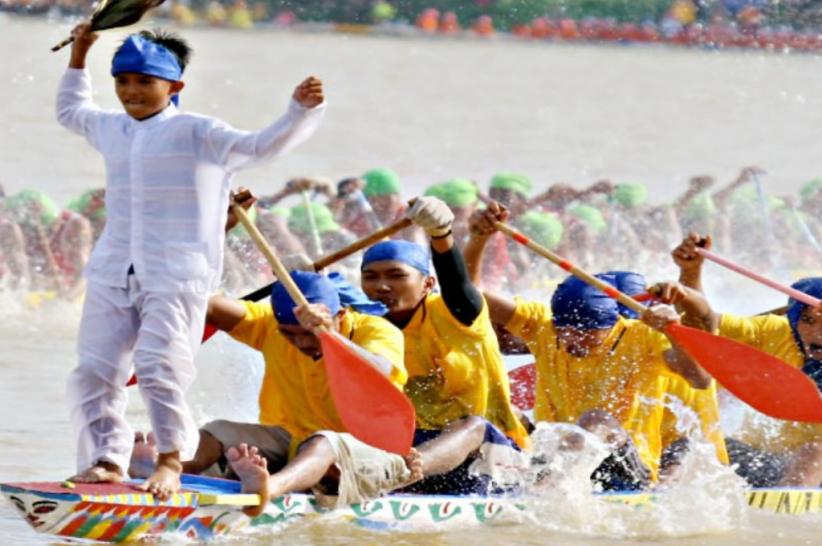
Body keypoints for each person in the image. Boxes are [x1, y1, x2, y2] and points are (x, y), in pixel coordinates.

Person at [58, 22, 325, 498]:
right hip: (113, 271)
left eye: (144, 81)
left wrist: (299, 110)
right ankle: (106, 459)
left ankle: (168, 462)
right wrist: (79, 55)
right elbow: (71, 110)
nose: (131, 91)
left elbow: (261, 146)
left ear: (174, 86)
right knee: (93, 370)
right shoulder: (110, 127)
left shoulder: (199, 131)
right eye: (122, 81)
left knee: (160, 366)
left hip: (177, 276)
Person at [463, 203, 712, 489]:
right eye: (563, 330)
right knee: (495, 411)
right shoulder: (542, 327)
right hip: (552, 458)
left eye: (586, 333)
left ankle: (542, 492)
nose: (570, 340)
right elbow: (471, 295)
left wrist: (672, 332)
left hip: (626, 469)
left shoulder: (641, 336)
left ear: (612, 324)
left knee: (595, 420)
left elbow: (701, 379)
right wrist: (479, 238)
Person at [141, 270, 419, 514]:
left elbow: (379, 372)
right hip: (295, 444)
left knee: (324, 442)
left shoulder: (376, 330)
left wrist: (327, 336)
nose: (300, 342)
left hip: (371, 454)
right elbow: (200, 303)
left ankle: (266, 489)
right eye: (289, 334)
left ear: (341, 315)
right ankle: (181, 474)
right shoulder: (267, 325)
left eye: (307, 334)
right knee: (218, 430)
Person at [359, 196, 530, 495]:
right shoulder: (366, 326)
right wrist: (302, 282)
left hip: (490, 455)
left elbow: (457, 282)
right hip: (413, 450)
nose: (382, 286)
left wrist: (441, 234)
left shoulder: (458, 313)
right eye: (370, 277)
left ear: (427, 284)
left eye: (396, 276)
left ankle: (395, 476)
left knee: (471, 425)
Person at [671, 234, 822, 486]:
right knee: (692, 445)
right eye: (808, 320)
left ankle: (784, 520)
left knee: (814, 451)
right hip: (768, 457)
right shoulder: (773, 330)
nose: (818, 332)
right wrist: (691, 272)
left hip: (813, 463)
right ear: (794, 320)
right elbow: (703, 324)